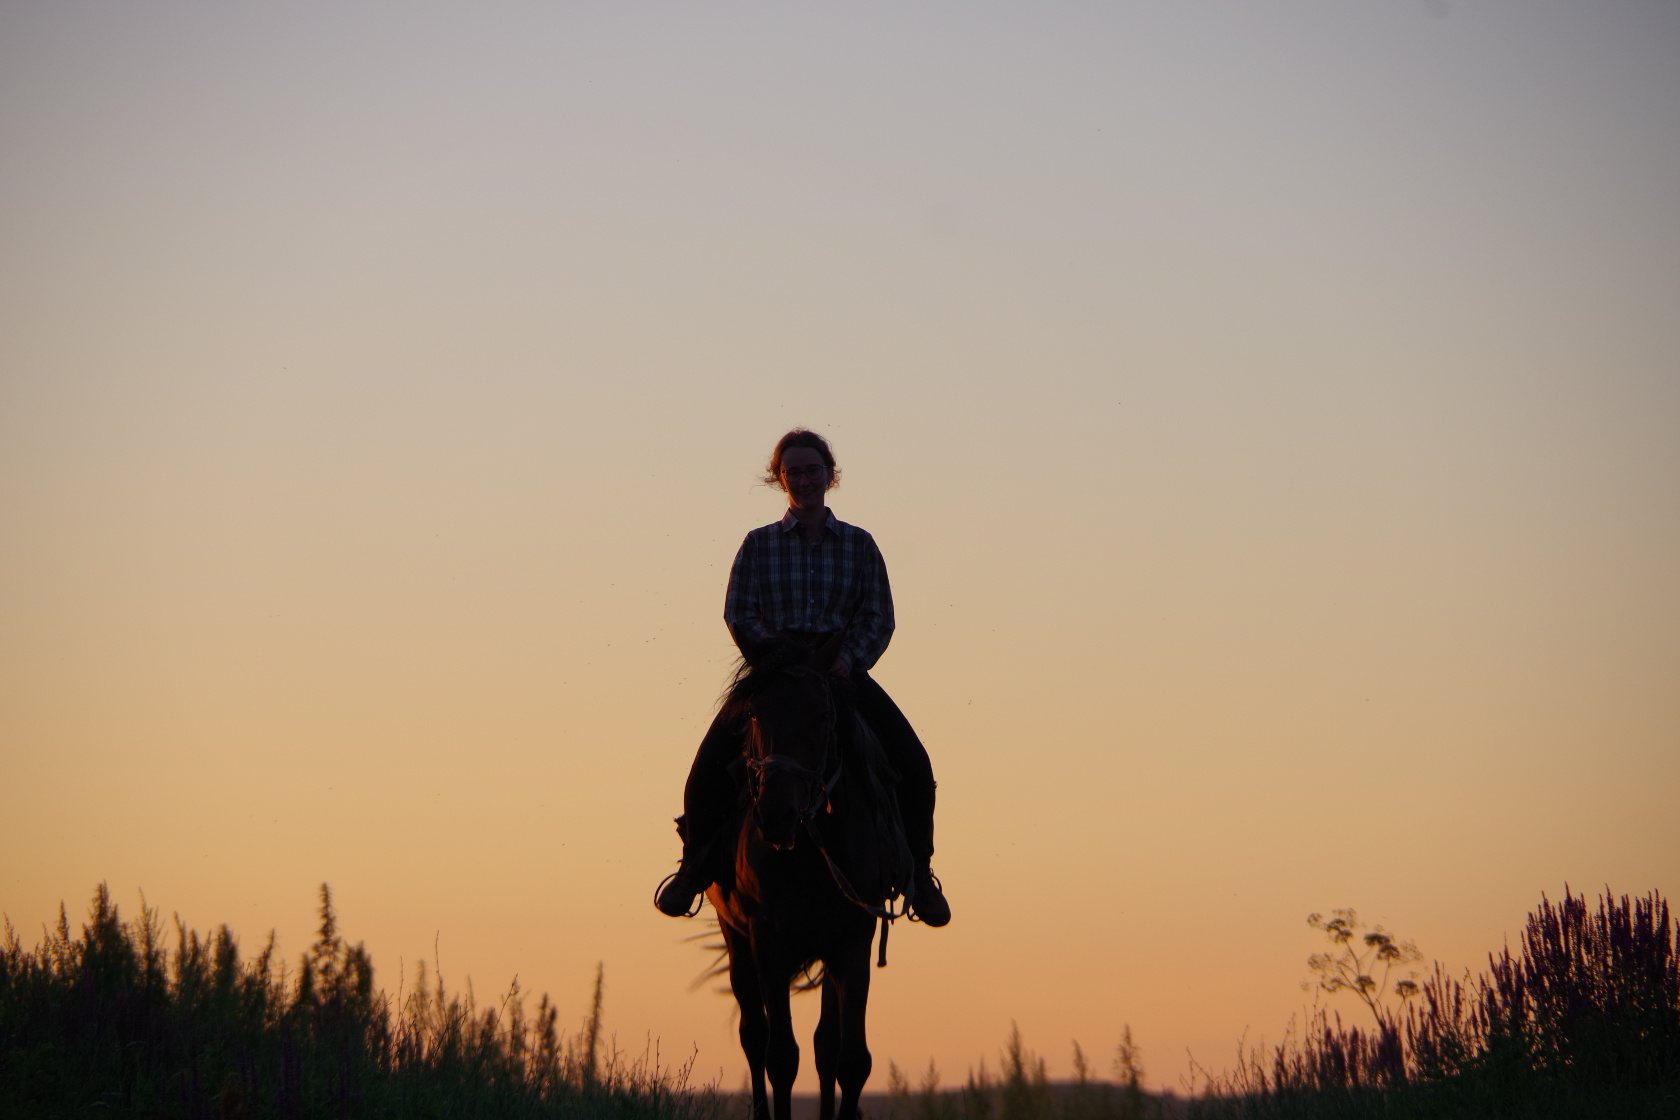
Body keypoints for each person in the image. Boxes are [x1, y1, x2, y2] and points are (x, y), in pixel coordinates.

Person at [654, 429, 951, 927]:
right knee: (706, 768)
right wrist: (776, 658)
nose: (805, 480)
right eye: (793, 472)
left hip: (839, 673)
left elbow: (878, 617)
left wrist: (847, 659)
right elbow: (738, 613)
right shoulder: (758, 544)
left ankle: (919, 874)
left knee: (914, 762)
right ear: (780, 478)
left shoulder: (859, 544)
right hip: (775, 675)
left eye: (813, 470)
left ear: (830, 475)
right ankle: (694, 867)